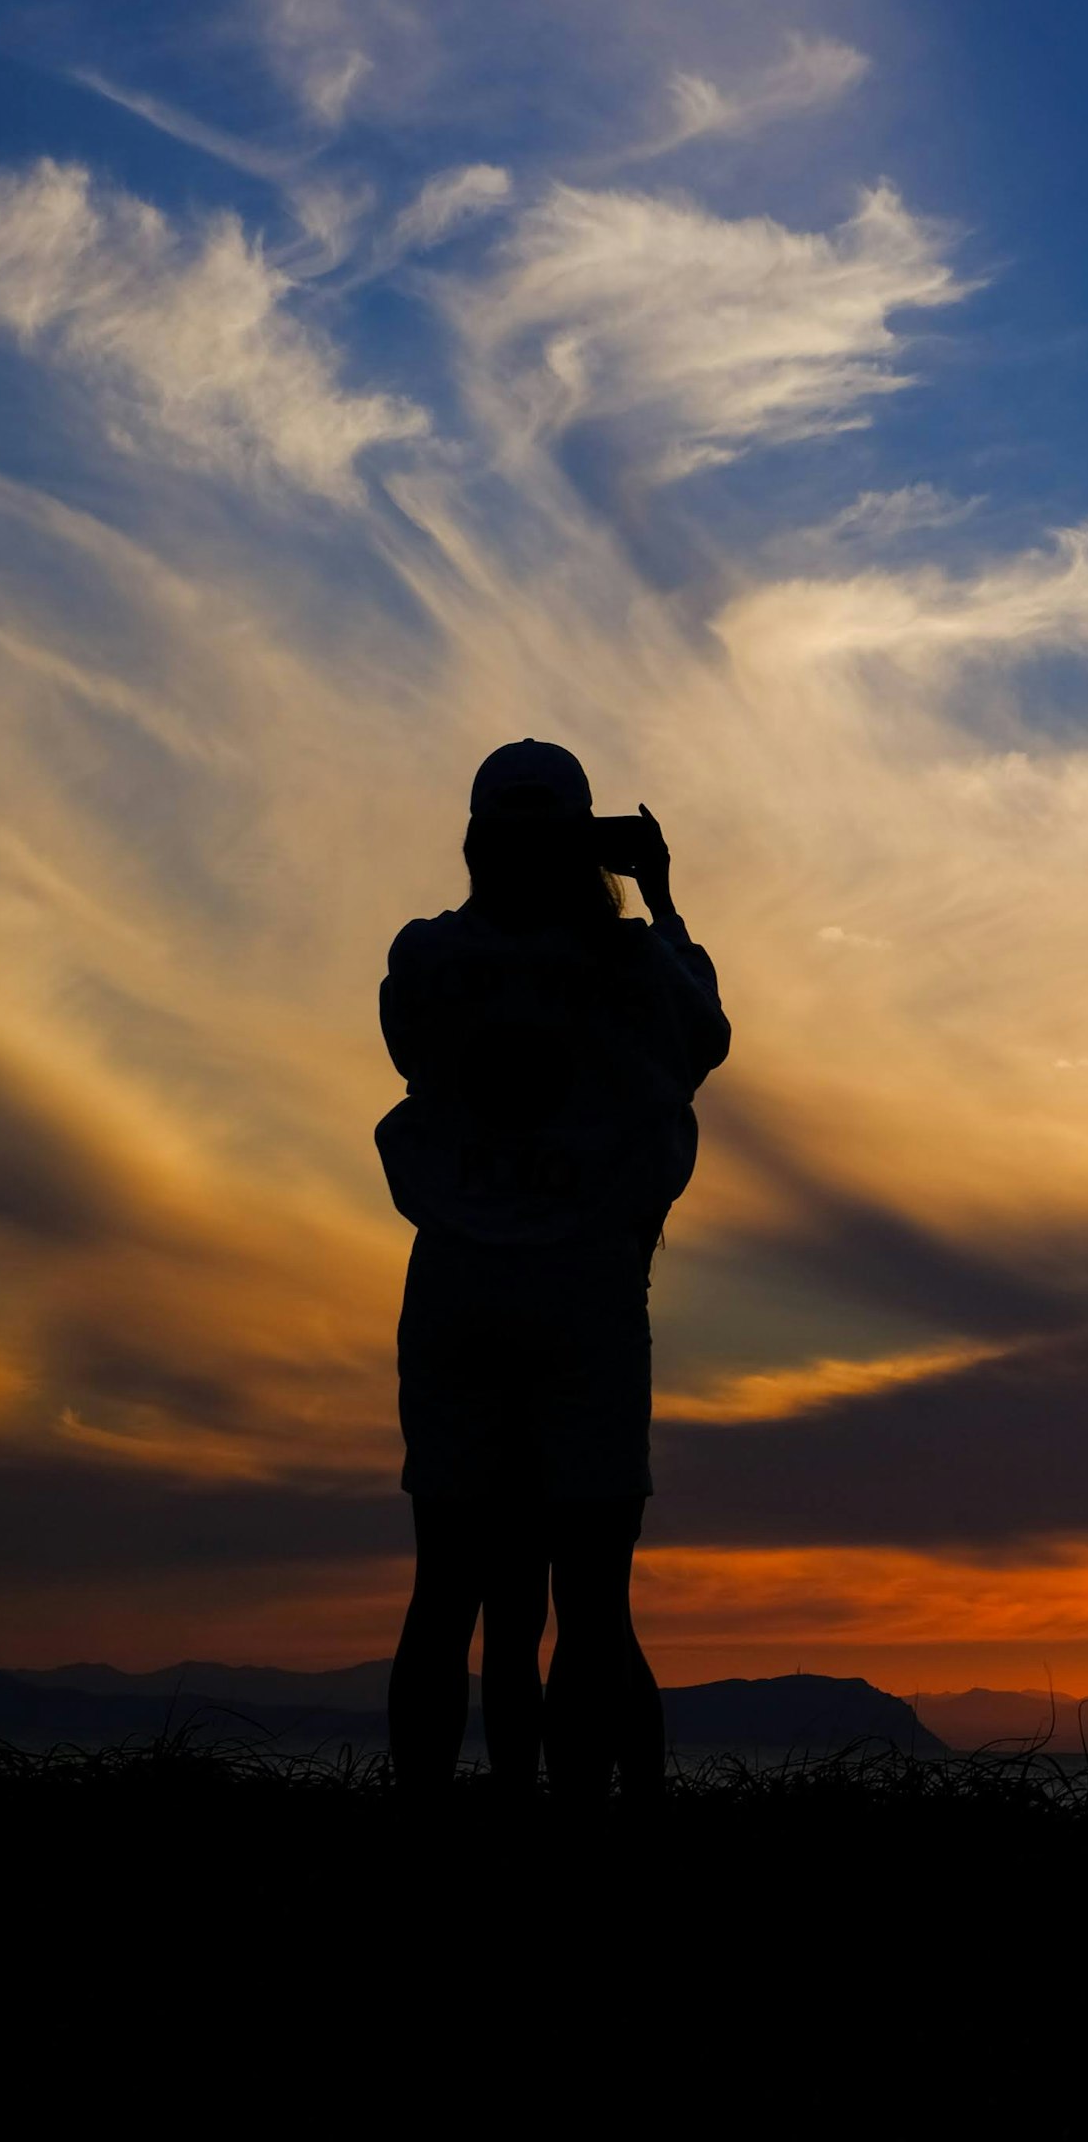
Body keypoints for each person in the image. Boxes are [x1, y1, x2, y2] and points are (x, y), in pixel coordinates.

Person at [377, 739, 729, 1797]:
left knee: (447, 1586)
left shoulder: (427, 956)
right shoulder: (630, 965)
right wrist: (657, 899)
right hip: (585, 1281)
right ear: (583, 841)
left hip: (455, 1278)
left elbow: (410, 1048)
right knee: (591, 1592)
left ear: (478, 838)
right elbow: (703, 1037)